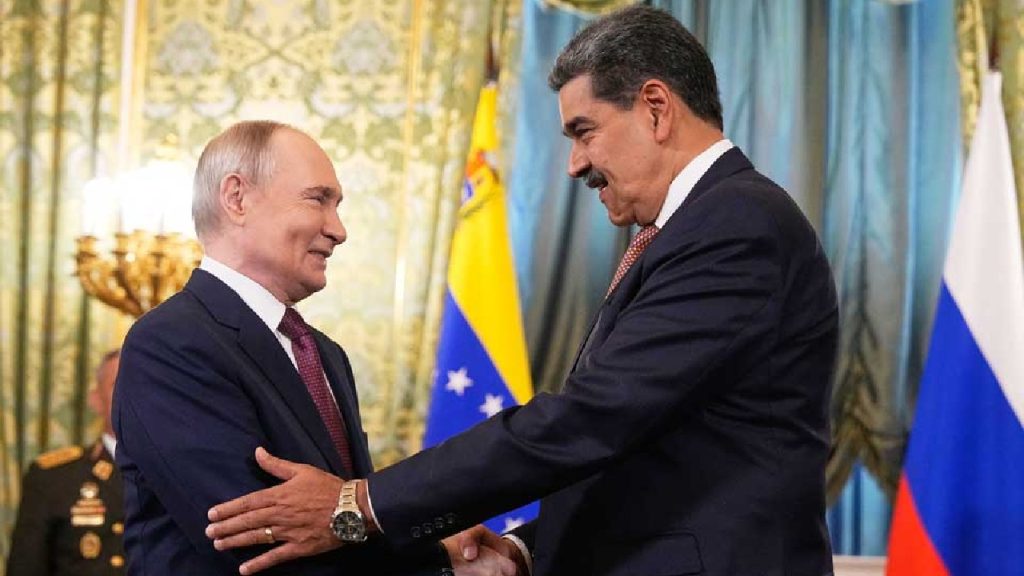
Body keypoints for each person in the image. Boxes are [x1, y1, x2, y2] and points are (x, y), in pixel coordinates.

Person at [205, 6, 840, 576]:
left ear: (655, 107)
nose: (575, 165)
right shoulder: (695, 226)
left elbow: (595, 419)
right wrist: (528, 550)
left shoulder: (735, 223)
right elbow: (652, 453)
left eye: (584, 132)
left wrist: (359, 504)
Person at [112, 121, 513, 576]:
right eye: (318, 199)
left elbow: (336, 518)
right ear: (237, 198)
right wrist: (440, 559)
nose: (338, 230)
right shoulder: (171, 343)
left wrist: (436, 543)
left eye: (337, 205)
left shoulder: (324, 354)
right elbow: (265, 548)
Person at [6, 350, 125, 575]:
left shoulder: (179, 471)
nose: (132, 395)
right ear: (96, 400)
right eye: (119, 384)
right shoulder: (54, 478)